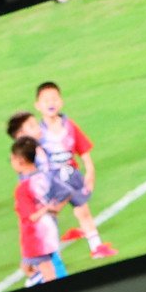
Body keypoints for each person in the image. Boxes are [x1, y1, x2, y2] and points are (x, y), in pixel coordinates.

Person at [28, 79, 108, 264]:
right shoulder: (38, 133)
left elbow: (83, 150)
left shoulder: (69, 126)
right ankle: (47, 259)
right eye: (46, 100)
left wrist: (90, 171)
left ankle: (96, 247)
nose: (51, 103)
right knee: (50, 216)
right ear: (37, 106)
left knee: (83, 210)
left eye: (54, 99)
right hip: (51, 182)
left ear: (61, 102)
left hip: (71, 176)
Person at [5, 130, 65, 288]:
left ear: (21, 160)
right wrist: (53, 209)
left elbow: (31, 217)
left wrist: (45, 209)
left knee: (47, 270)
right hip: (49, 230)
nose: (10, 161)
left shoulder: (23, 188)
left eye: (12, 158)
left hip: (36, 236)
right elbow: (64, 192)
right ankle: (37, 279)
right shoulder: (43, 177)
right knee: (26, 266)